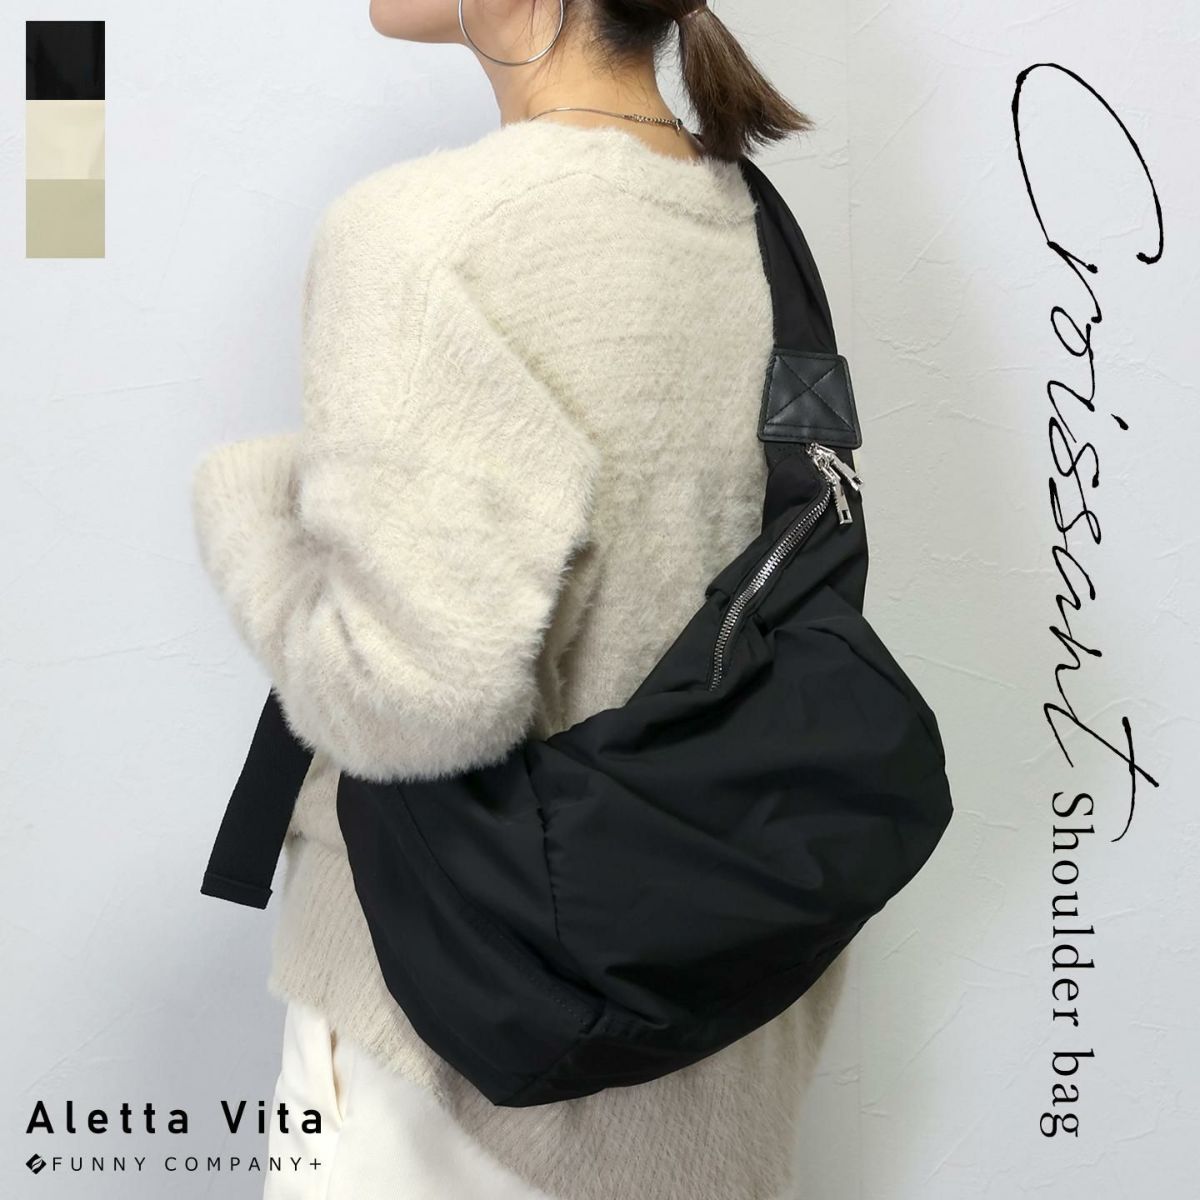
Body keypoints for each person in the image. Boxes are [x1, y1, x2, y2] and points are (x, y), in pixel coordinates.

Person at [190, 1, 850, 1197]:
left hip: (446, 1065)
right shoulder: (759, 240)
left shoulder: (420, 234)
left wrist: (251, 514)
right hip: (716, 1065)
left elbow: (411, 701)